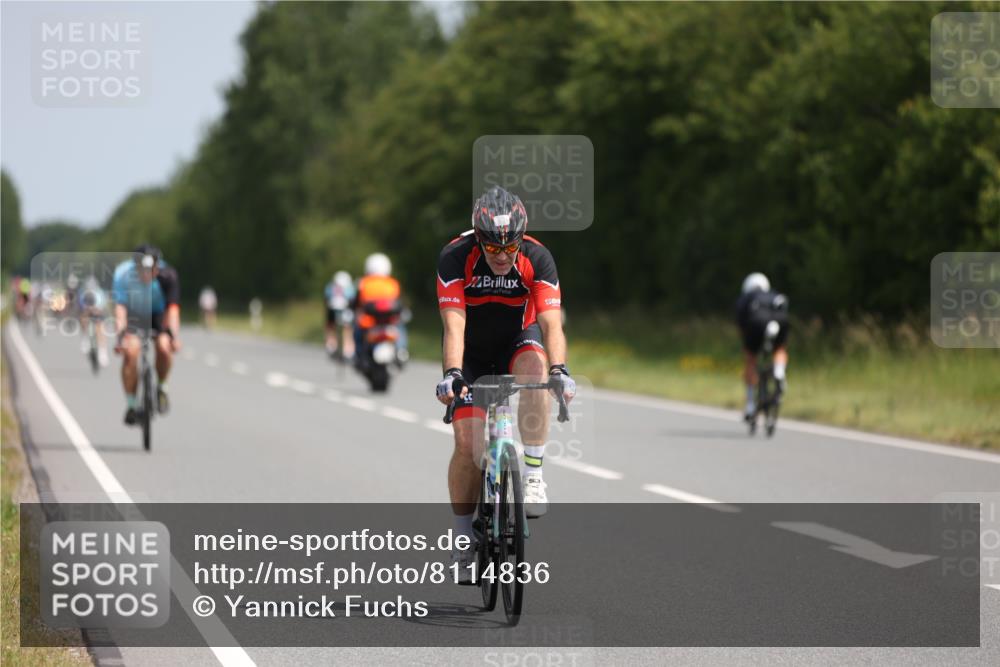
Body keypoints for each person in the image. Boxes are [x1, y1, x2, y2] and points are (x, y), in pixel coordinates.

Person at [435, 185, 575, 581]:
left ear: (520, 241)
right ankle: (462, 539)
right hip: (472, 353)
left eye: (509, 248)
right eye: (493, 249)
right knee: (467, 445)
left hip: (518, 339)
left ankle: (532, 475)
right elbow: (454, 325)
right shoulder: (454, 257)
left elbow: (551, 323)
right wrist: (453, 374)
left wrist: (560, 371)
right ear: (478, 240)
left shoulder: (537, 257)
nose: (501, 256)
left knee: (538, 368)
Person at [112, 245, 181, 425]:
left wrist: (173, 337)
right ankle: (131, 404)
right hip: (134, 313)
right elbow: (120, 309)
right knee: (131, 353)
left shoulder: (168, 276)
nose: (147, 274)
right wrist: (120, 337)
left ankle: (162, 387)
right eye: (142, 270)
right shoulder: (123, 275)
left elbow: (172, 310)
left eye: (152, 270)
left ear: (158, 267)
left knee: (164, 348)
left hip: (158, 314)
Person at [735, 272, 789, 421]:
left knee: (750, 360)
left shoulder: (746, 298)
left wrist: (747, 344)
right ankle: (779, 372)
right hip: (780, 321)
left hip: (756, 324)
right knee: (779, 349)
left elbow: (741, 326)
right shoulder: (773, 294)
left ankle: (751, 405)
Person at [352, 254, 409, 366]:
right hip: (390, 321)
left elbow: (356, 304)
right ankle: (402, 350)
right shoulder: (393, 283)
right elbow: (399, 303)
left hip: (369, 322)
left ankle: (359, 354)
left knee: (357, 332)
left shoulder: (363, 283)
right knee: (400, 327)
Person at [78, 276, 110, 367]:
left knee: (99, 327)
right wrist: (87, 309)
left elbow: (102, 304)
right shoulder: (83, 292)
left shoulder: (100, 292)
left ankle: (102, 352)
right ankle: (85, 338)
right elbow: (81, 304)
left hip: (97, 311)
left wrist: (97, 310)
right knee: (83, 317)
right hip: (87, 311)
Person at [324, 271, 356, 359]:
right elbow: (353, 300)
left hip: (333, 308)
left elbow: (326, 299)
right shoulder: (350, 288)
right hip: (346, 309)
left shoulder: (330, 287)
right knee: (347, 328)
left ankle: (331, 344)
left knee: (331, 326)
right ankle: (348, 348)